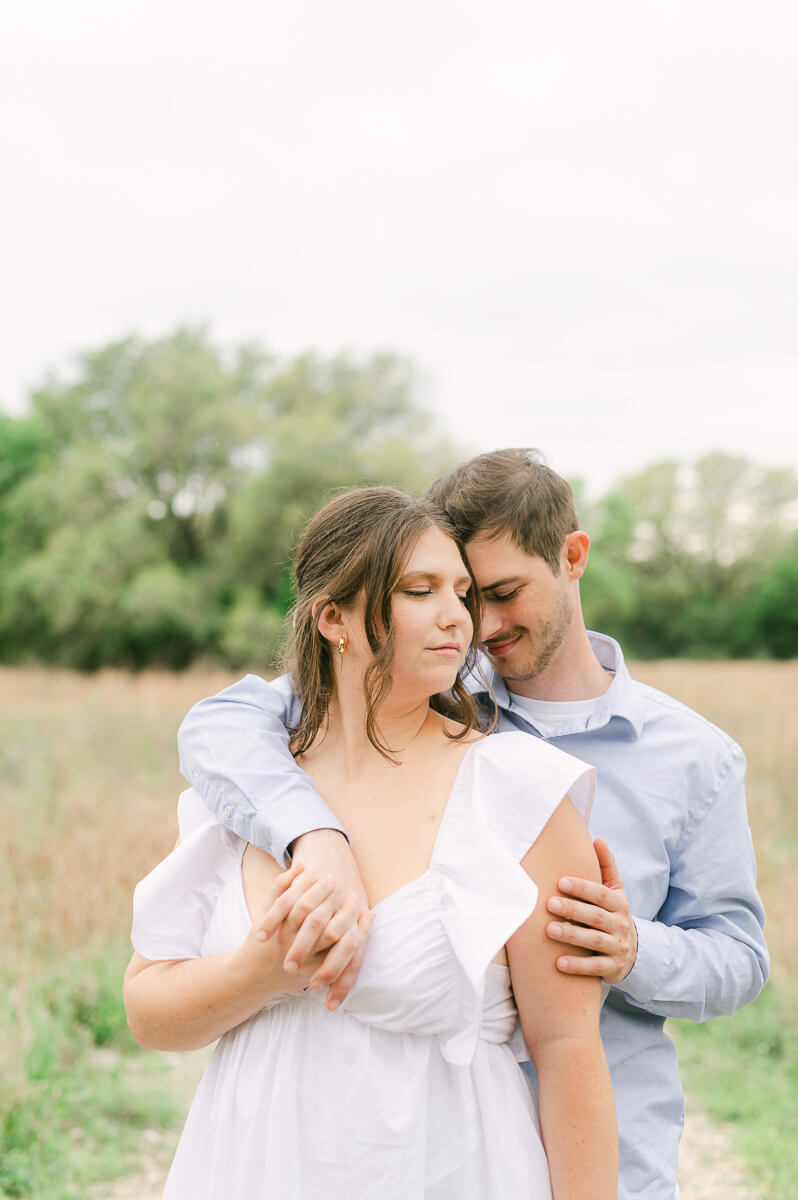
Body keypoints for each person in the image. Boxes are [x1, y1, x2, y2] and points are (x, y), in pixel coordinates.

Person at [177, 451, 769, 1200]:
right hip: (418, 1144)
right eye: (453, 592)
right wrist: (315, 836)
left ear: (574, 556)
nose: (479, 624)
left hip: (605, 1146)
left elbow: (741, 959)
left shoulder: (696, 758)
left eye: (501, 592)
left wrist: (631, 948)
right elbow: (217, 727)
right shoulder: (417, 690)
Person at [125, 485, 618, 1200]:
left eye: (463, 592)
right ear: (334, 618)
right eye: (420, 590)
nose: (457, 616)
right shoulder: (246, 792)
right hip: (250, 1169)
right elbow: (148, 1012)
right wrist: (265, 972)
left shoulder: (517, 792)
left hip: (447, 1171)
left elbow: (570, 1052)